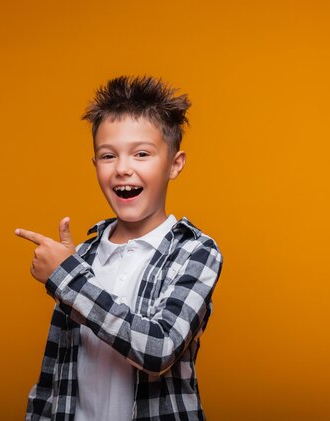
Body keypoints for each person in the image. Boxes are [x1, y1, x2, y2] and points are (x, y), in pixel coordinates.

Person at [15, 75, 224, 421]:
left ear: (175, 164)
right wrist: (72, 272)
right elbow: (51, 378)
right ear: (95, 165)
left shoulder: (196, 252)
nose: (123, 169)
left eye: (142, 154)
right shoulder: (81, 258)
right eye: (108, 156)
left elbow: (159, 349)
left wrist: (69, 280)